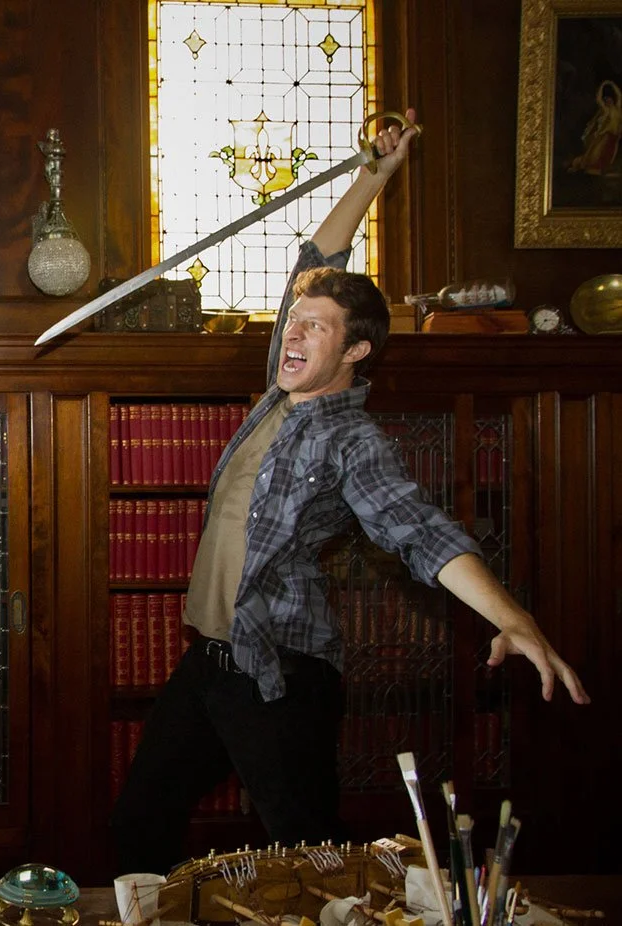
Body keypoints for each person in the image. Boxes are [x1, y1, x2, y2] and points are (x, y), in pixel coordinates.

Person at [110, 109, 590, 875]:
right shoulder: (279, 391)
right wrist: (376, 173)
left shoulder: (350, 440)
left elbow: (418, 530)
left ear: (356, 351)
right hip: (209, 664)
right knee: (139, 825)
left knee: (308, 853)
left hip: (282, 674)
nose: (293, 333)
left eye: (317, 327)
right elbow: (318, 255)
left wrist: (513, 615)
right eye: (292, 321)